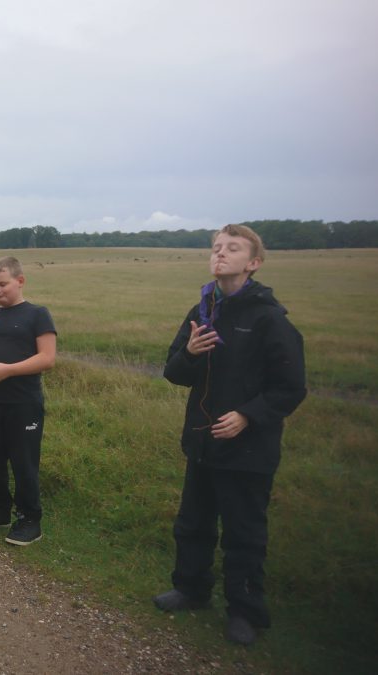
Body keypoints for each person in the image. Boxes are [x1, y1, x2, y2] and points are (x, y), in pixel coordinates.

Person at [154, 224, 306, 646]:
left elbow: (291, 387)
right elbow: (172, 373)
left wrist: (247, 415)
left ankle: (245, 611)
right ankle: (191, 588)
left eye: (232, 248)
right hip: (202, 441)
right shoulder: (201, 311)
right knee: (193, 523)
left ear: (253, 263)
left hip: (248, 448)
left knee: (244, 532)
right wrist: (190, 353)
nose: (220, 253)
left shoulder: (269, 319)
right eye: (216, 247)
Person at [0, 257, 56, 546]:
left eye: (2, 284)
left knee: (23, 463)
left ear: (20, 281)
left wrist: (8, 371)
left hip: (23, 404)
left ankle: (30, 521)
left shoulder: (37, 315)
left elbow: (47, 358)